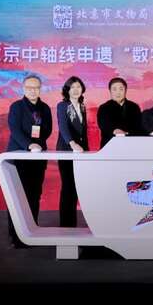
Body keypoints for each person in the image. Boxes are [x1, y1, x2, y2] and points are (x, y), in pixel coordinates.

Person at [6, 74, 52, 247]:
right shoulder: (16, 107)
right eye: (29, 88)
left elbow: (48, 130)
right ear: (23, 89)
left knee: (34, 194)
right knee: (17, 195)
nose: (33, 91)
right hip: (19, 156)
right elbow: (15, 130)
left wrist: (37, 143)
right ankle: (16, 235)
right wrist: (29, 145)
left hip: (38, 156)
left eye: (36, 88)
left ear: (40, 89)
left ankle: (31, 231)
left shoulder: (45, 108)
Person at [56, 76, 89, 228]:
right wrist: (72, 143)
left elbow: (83, 131)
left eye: (78, 87)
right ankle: (66, 224)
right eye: (72, 87)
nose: (76, 90)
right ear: (67, 90)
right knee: (68, 186)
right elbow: (63, 127)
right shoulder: (62, 105)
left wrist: (86, 150)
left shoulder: (82, 106)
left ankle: (72, 224)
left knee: (76, 187)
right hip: (66, 150)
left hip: (81, 152)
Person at [96, 77, 143, 148]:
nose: (118, 92)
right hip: (109, 146)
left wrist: (127, 133)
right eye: (114, 89)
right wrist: (114, 130)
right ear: (110, 91)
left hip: (131, 145)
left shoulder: (134, 107)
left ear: (125, 90)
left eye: (121, 89)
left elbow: (138, 127)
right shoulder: (104, 108)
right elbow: (104, 125)